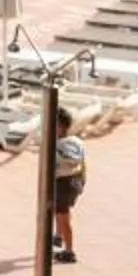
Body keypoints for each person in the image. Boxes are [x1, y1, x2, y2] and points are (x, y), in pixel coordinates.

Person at [51, 104, 87, 262]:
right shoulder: (77, 142)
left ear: (58, 126)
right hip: (76, 182)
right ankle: (58, 236)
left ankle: (69, 251)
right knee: (59, 210)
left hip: (63, 184)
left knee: (63, 216)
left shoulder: (57, 146)